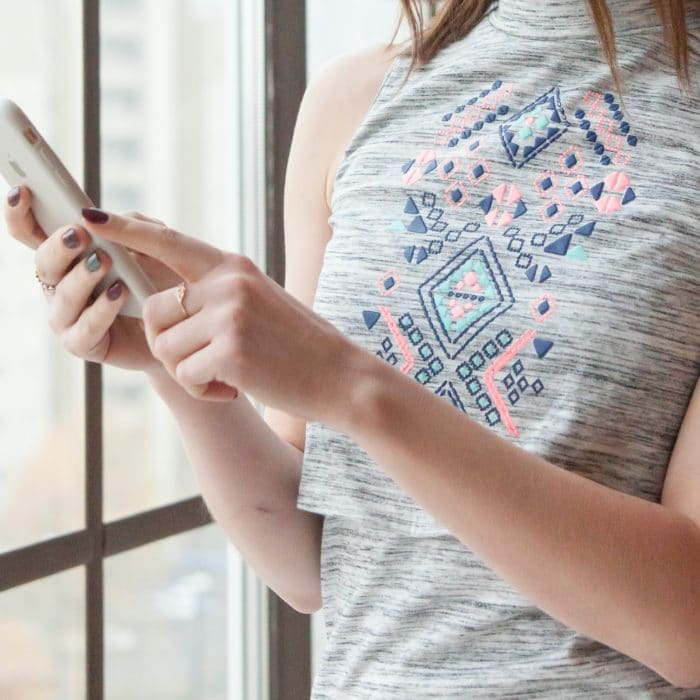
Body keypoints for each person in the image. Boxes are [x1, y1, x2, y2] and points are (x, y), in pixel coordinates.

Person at [4, 0, 700, 696]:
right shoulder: (356, 100)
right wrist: (173, 357)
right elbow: (310, 565)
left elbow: (689, 628)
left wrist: (351, 387)